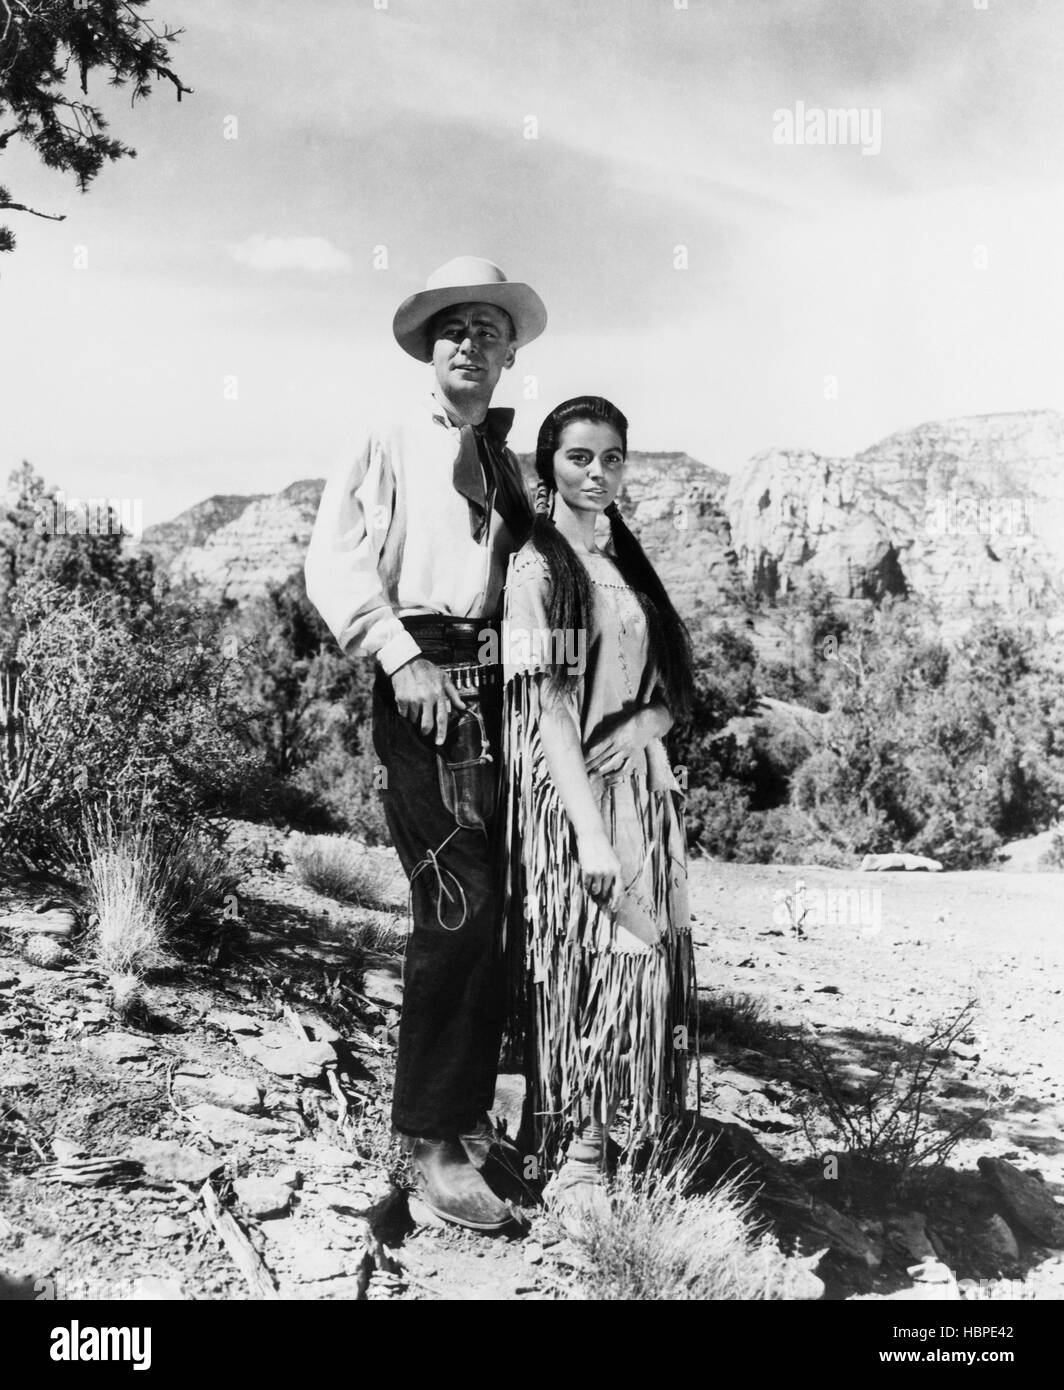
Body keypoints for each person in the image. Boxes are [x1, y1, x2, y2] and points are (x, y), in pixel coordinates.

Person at [304, 256, 546, 1231]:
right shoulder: (386, 435)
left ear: (508, 351)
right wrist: (401, 660)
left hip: (498, 678)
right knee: (456, 899)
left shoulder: (498, 460)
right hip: (420, 662)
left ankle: (475, 1114)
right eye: (452, 327)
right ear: (427, 344)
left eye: (488, 329)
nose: (469, 343)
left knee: (503, 905)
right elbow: (331, 557)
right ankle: (434, 1147)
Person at [500, 395, 697, 1225]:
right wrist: (584, 830)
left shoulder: (625, 562)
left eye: (612, 457)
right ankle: (577, 1160)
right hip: (576, 800)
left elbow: (673, 691)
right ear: (549, 466)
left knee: (644, 965)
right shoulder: (537, 568)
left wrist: (649, 719)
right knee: (591, 964)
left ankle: (620, 1136)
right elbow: (544, 709)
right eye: (580, 456)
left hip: (644, 794)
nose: (597, 472)